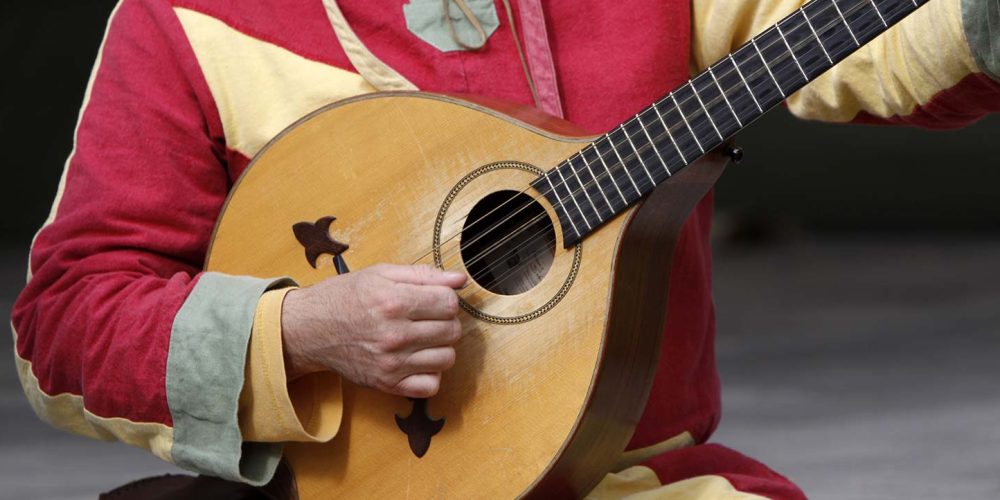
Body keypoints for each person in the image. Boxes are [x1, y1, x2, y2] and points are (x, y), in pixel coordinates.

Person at [12, 0, 999, 498]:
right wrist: (297, 329)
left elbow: (867, 48)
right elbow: (65, 324)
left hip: (617, 477)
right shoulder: (181, 18)